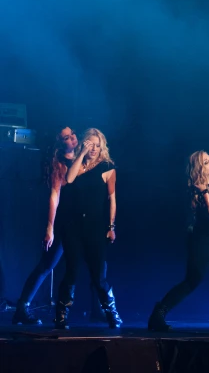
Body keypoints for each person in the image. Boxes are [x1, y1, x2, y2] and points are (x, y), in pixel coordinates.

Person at [12, 127, 106, 325]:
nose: (72, 138)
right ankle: (22, 307)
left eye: (73, 134)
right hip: (65, 222)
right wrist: (50, 227)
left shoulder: (85, 160)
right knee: (47, 265)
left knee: (97, 265)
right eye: (66, 137)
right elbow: (54, 196)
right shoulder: (60, 165)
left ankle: (98, 309)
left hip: (83, 222)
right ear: (60, 143)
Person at [148, 150, 209, 332]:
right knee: (192, 281)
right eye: (206, 162)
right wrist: (205, 192)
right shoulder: (199, 189)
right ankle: (158, 314)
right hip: (203, 243)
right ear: (199, 168)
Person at [54, 128, 122, 330]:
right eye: (90, 144)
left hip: (95, 226)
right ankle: (61, 314)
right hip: (73, 226)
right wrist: (81, 154)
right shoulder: (74, 165)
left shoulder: (108, 167)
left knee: (98, 275)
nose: (94, 148)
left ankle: (111, 312)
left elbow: (112, 199)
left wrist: (111, 226)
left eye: (97, 145)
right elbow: (70, 179)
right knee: (72, 270)